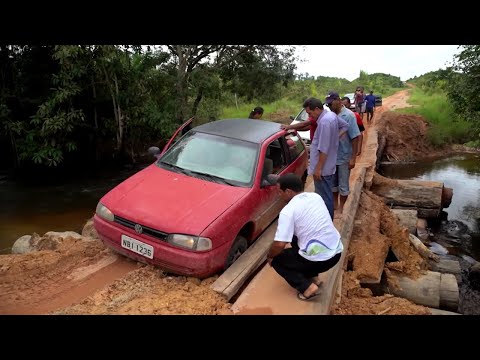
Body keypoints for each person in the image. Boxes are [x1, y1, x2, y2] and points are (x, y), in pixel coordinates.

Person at [266, 173, 343, 301]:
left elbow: (279, 244)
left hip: (321, 259)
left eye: (280, 192)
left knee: (277, 259)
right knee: (298, 239)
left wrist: (270, 256)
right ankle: (314, 278)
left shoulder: (288, 211)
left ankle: (307, 288)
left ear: (289, 191)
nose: (279, 195)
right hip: (336, 252)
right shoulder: (315, 197)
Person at [306, 96, 349, 220]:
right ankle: (326, 221)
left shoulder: (325, 122)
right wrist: (335, 137)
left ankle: (326, 222)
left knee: (324, 197)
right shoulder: (331, 116)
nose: (310, 116)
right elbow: (345, 126)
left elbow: (323, 149)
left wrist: (318, 169)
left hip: (323, 169)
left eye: (310, 113)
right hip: (328, 165)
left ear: (317, 109)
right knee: (326, 195)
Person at [331, 93, 360, 216]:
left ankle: (342, 208)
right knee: (333, 184)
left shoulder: (349, 116)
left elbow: (355, 137)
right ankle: (335, 205)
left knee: (343, 184)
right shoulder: (330, 115)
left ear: (338, 100)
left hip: (344, 156)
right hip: (332, 157)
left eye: (331, 103)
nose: (329, 106)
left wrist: (353, 158)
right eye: (327, 104)